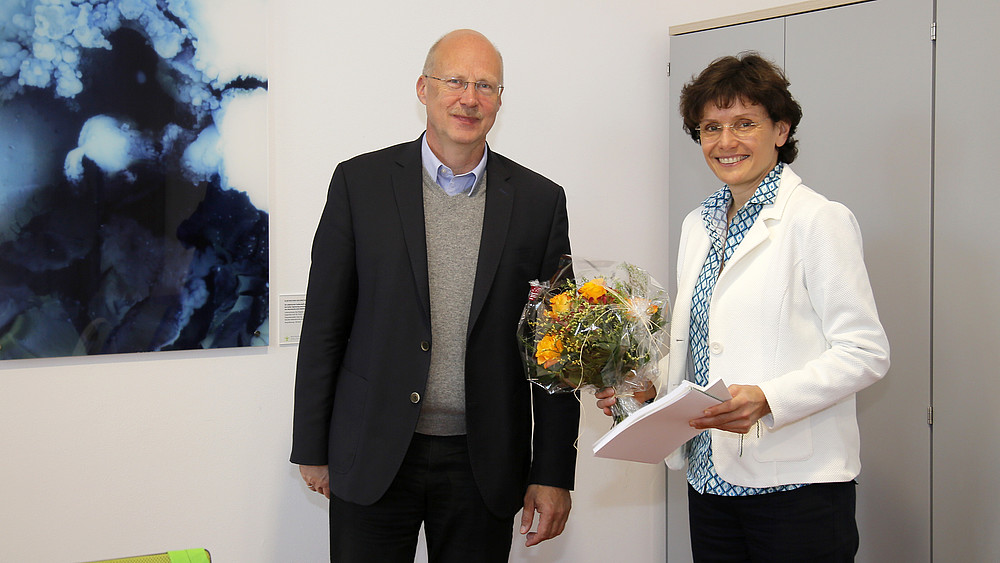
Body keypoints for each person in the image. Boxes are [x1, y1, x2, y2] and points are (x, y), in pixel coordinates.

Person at [290, 29, 580, 562]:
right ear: (423, 88)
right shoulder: (360, 184)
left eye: (485, 86)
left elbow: (558, 349)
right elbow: (325, 323)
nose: (469, 98)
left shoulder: (540, 202)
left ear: (499, 101)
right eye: (455, 81)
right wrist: (311, 445)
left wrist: (553, 471)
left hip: (484, 462)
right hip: (372, 450)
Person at [597, 52, 889, 561]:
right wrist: (649, 392)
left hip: (794, 489)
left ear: (781, 130)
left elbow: (865, 351)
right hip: (709, 480)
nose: (725, 142)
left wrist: (769, 398)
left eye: (744, 123)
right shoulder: (698, 224)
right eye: (711, 127)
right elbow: (703, 343)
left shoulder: (818, 221)